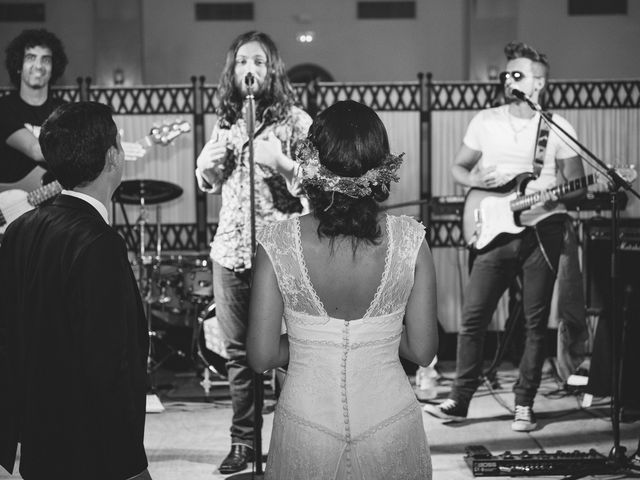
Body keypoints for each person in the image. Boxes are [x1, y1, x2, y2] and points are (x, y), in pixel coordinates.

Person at [247, 100, 437, 479]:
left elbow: (262, 356)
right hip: (390, 423)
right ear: (381, 164)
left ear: (312, 161)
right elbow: (423, 350)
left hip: (306, 426)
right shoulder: (411, 240)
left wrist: (309, 340)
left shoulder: (277, 243)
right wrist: (378, 331)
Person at [424, 41, 586, 432]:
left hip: (541, 230)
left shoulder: (557, 126)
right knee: (474, 316)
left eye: (519, 74)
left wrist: (549, 199)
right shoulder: (485, 120)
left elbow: (577, 186)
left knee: (534, 323)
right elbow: (459, 169)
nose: (509, 79)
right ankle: (459, 400)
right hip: (493, 227)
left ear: (539, 83)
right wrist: (475, 178)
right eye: (507, 73)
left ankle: (524, 404)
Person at [0, 102, 151, 480]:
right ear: (114, 157)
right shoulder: (99, 241)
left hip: (38, 439)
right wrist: (131, 465)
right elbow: (107, 365)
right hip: (90, 447)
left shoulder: (20, 230)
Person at [194, 31, 312, 474]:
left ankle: (292, 442)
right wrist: (205, 168)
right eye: (243, 61)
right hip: (230, 251)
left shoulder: (296, 121)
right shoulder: (226, 119)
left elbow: (317, 186)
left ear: (272, 69)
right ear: (233, 70)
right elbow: (210, 180)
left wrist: (282, 163)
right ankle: (244, 444)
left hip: (280, 254)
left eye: (260, 62)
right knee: (238, 356)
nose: (251, 69)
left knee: (286, 352)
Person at [0, 28, 67, 188]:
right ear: (18, 65)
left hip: (53, 203)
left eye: (45, 60)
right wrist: (91, 150)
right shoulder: (4, 108)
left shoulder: (65, 111)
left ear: (53, 68)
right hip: (10, 206)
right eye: (31, 58)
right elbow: (36, 150)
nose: (38, 66)